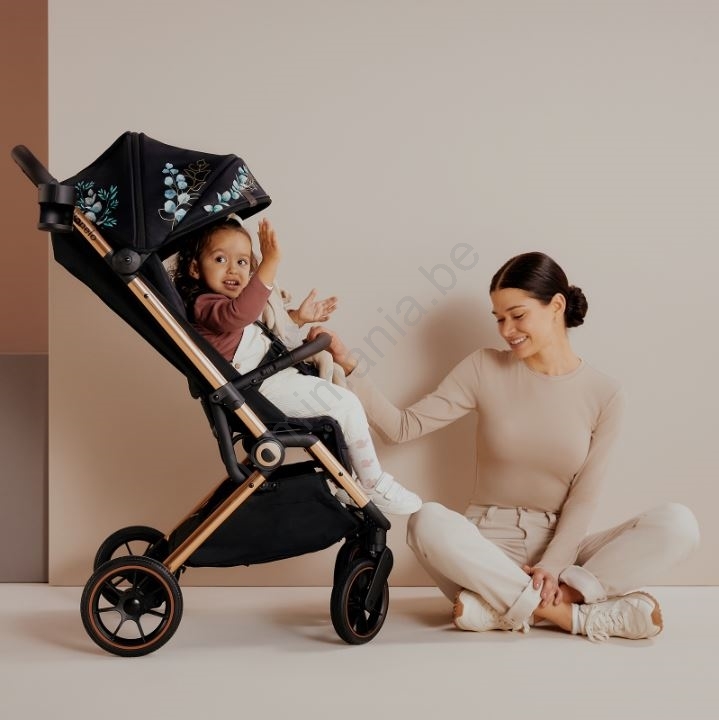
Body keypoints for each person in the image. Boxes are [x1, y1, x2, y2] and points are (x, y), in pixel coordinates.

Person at [309, 251, 700, 642]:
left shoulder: (605, 394)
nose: (507, 330)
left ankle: (507, 607)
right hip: (484, 550)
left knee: (678, 524)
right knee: (425, 521)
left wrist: (553, 565)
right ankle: (576, 617)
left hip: (562, 551)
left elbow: (583, 498)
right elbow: (402, 427)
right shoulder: (484, 367)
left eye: (517, 315)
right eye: (498, 318)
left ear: (556, 306)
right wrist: (348, 364)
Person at [172, 213, 422, 516]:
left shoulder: (227, 309)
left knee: (341, 406)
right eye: (220, 259)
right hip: (258, 393)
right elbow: (239, 315)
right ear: (195, 268)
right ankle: (371, 482)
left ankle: (351, 478)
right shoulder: (205, 306)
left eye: (242, 262)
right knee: (345, 405)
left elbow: (260, 338)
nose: (233, 269)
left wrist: (298, 318)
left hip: (265, 383)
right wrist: (270, 263)